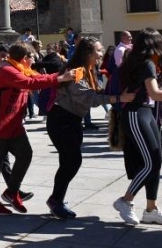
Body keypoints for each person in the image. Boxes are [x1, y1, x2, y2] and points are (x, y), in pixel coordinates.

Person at [0, 43, 75, 215]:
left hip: (13, 124)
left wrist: (62, 75)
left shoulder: (21, 69)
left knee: (25, 154)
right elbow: (30, 83)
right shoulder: (8, 71)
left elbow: (37, 79)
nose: (35, 61)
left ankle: (11, 191)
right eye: (33, 58)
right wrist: (60, 78)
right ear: (24, 59)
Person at [46, 37, 134, 218]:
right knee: (71, 161)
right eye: (98, 51)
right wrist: (118, 99)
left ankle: (57, 198)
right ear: (87, 53)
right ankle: (56, 200)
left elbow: (97, 92)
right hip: (61, 120)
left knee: (70, 162)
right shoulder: (76, 71)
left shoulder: (89, 70)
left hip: (71, 120)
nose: (102, 54)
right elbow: (88, 98)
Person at [113, 28, 162, 226]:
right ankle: (125, 201)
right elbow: (155, 93)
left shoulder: (139, 62)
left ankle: (151, 209)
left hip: (145, 113)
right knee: (150, 162)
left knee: (156, 161)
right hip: (136, 114)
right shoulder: (147, 63)